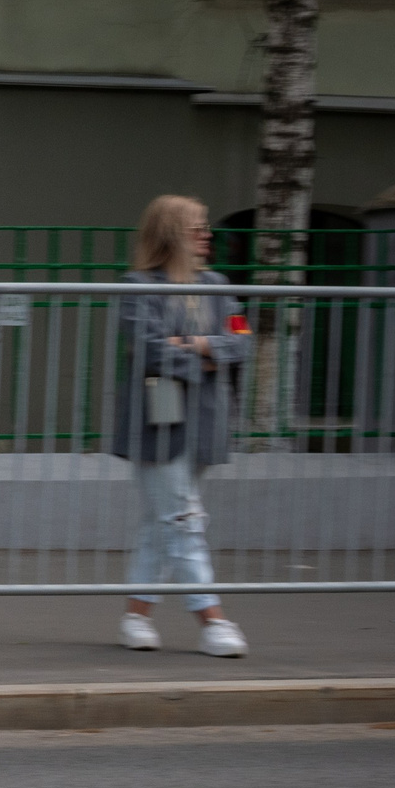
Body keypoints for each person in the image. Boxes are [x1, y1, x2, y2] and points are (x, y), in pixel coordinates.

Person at [112, 195, 250, 657]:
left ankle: (135, 617)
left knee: (161, 521)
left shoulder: (217, 284)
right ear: (172, 235)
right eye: (197, 228)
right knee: (183, 519)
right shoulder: (139, 286)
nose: (207, 236)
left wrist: (190, 344)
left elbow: (242, 340)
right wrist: (208, 356)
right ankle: (212, 619)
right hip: (157, 422)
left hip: (205, 421)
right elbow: (149, 349)